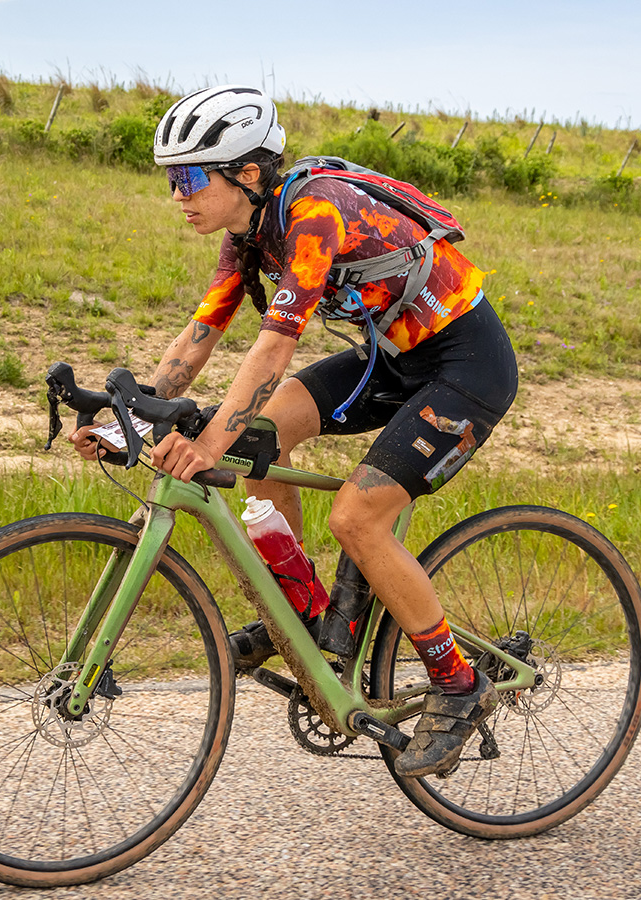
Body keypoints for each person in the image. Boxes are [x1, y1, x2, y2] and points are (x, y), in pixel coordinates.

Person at [70, 85, 518, 778]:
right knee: (260, 445)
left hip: (465, 365)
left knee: (358, 516)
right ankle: (313, 622)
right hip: (390, 359)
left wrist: (208, 439)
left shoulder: (312, 214)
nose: (176, 194)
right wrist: (128, 415)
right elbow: (203, 332)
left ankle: (459, 685)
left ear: (247, 173)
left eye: (188, 178)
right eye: (170, 179)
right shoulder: (246, 236)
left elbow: (276, 349)